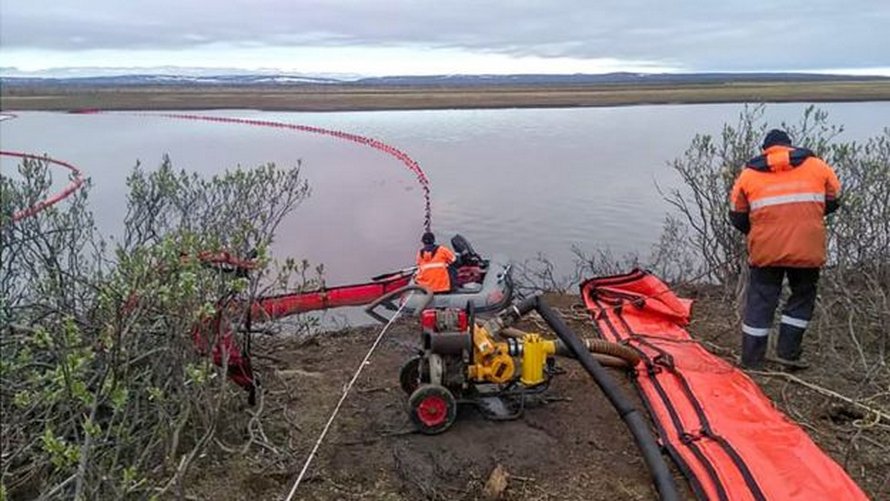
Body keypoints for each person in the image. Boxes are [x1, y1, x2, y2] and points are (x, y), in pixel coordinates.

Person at [729, 129, 841, 369]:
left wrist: (760, 231)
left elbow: (737, 217)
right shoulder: (817, 166)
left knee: (761, 300)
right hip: (807, 248)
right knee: (802, 297)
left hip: (766, 250)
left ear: (765, 150)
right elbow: (832, 201)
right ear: (790, 146)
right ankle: (788, 356)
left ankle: (752, 360)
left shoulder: (748, 174)